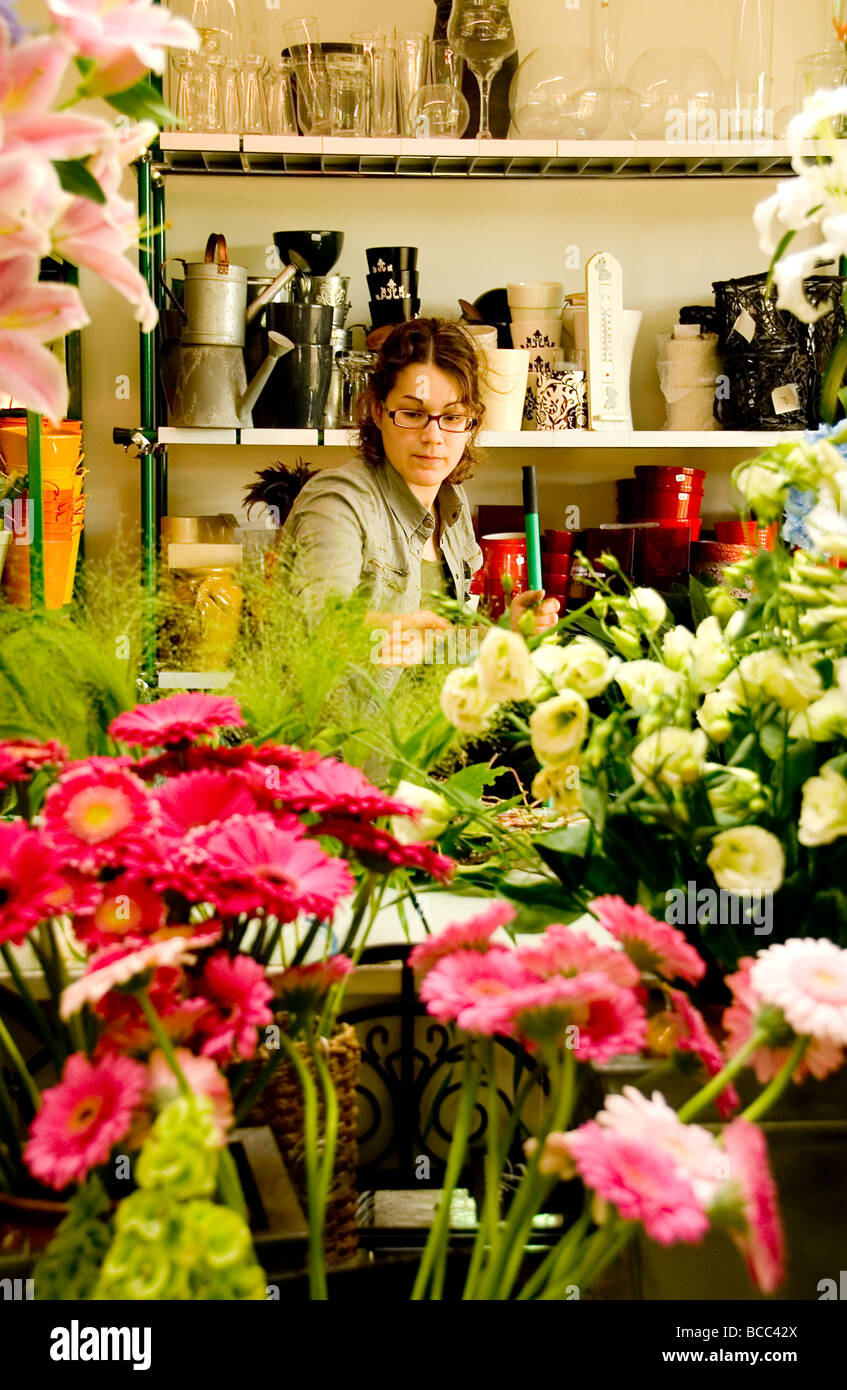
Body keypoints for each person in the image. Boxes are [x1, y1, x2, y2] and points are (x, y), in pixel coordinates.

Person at [283, 317, 559, 673]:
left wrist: (504, 633)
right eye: (413, 414)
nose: (433, 436)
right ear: (378, 411)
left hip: (439, 727)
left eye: (452, 416)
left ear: (471, 422)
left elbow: (441, 648)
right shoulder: (339, 502)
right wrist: (388, 630)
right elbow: (317, 625)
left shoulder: (452, 504)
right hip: (353, 728)